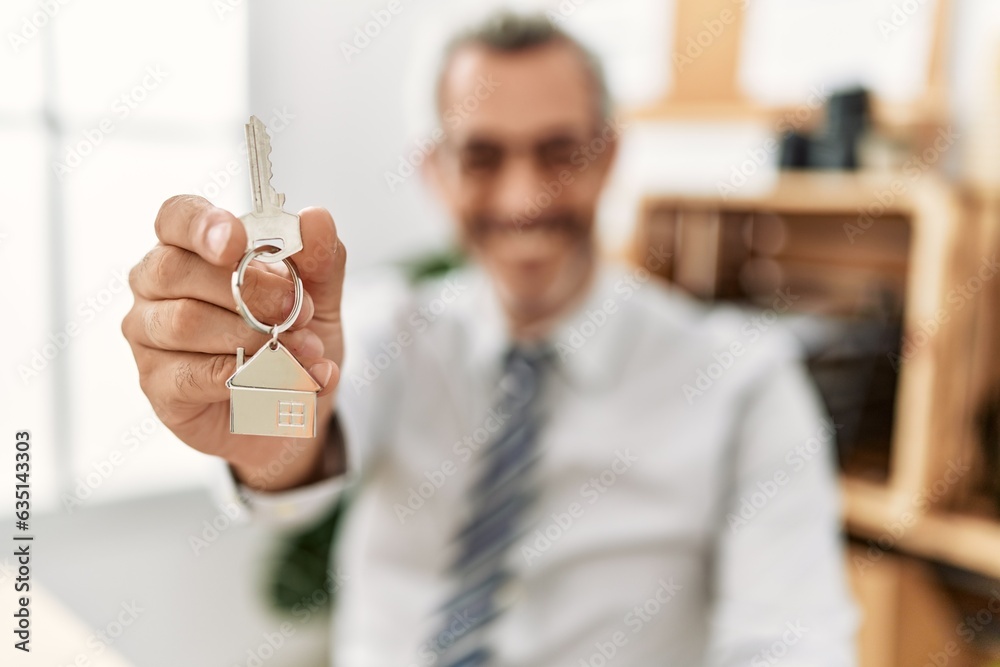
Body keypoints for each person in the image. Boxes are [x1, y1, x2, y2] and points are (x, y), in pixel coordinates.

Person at [122, 11, 858, 666]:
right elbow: (311, 443)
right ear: (435, 171)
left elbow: (793, 637)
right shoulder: (391, 329)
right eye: (482, 156)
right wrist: (271, 446)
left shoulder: (742, 380)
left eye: (558, 152)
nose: (523, 198)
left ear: (605, 157)